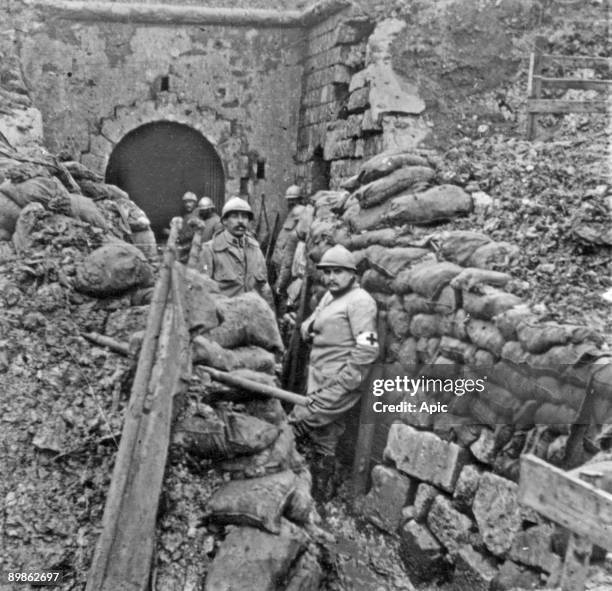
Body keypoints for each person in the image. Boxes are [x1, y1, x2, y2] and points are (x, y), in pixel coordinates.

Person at [288, 244, 379, 502]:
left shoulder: (361, 302)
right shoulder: (330, 297)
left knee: (296, 423)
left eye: (337, 272)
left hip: (338, 384)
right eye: (326, 272)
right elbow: (308, 324)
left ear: (352, 274)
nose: (330, 278)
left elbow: (368, 348)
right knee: (325, 436)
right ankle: (319, 496)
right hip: (318, 377)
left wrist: (345, 382)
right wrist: (311, 327)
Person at [199, 196, 274, 308]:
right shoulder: (210, 250)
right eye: (235, 216)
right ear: (224, 221)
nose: (240, 221)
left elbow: (264, 287)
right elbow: (202, 293)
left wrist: (271, 319)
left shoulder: (255, 248)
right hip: (225, 319)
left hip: (252, 316)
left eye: (244, 216)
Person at [271, 184, 306, 295]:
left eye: (294, 200)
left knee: (283, 292)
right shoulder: (291, 214)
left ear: (300, 200)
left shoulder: (302, 214)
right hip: (279, 262)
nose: (291, 203)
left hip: (288, 265)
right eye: (289, 200)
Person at [176, 191, 199, 262]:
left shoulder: (197, 215)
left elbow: (194, 233)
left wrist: (180, 237)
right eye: (186, 202)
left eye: (190, 202)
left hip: (192, 250)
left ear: (195, 203)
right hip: (185, 249)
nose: (187, 204)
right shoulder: (186, 216)